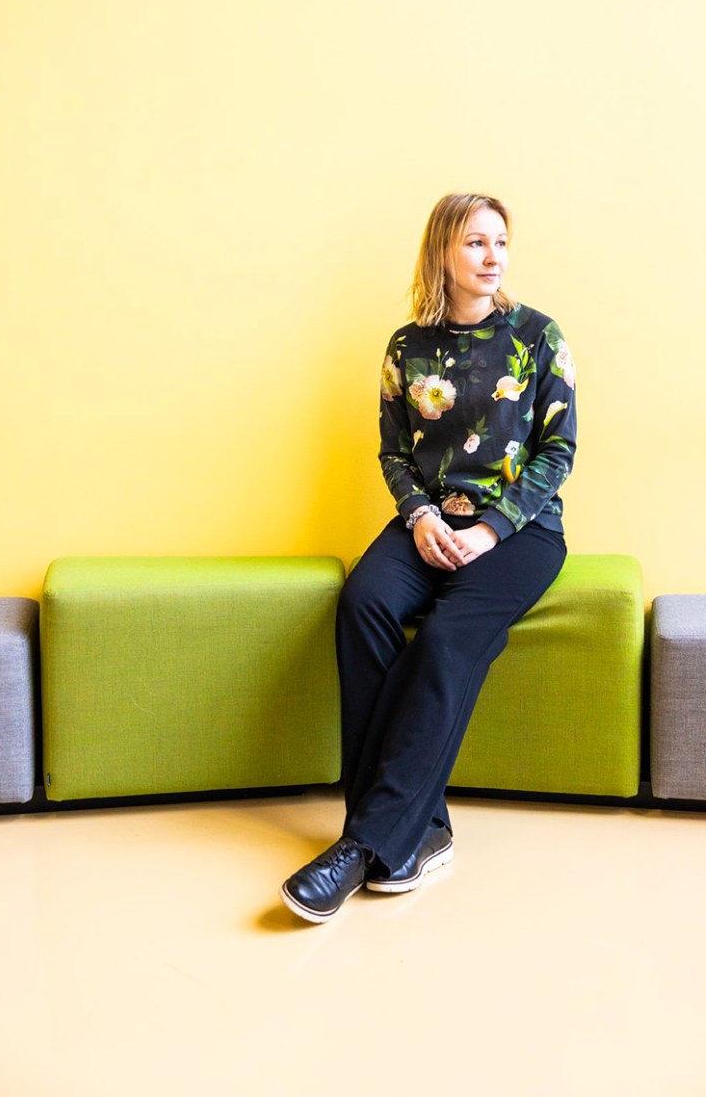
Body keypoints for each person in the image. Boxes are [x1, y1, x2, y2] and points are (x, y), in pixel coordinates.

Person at [280, 192, 577, 923]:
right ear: (441, 251)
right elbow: (393, 450)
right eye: (475, 243)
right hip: (426, 524)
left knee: (445, 638)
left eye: (500, 243)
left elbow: (558, 450)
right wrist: (417, 515)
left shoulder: (537, 337)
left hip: (520, 533)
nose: (491, 256)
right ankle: (421, 828)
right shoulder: (406, 347)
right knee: (362, 605)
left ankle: (361, 846)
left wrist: (492, 528)